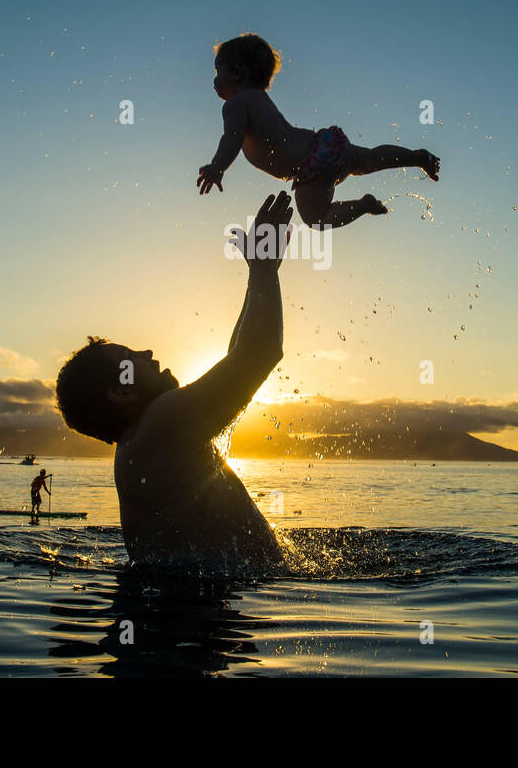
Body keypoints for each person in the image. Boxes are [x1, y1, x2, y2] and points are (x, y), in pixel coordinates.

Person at [55, 192, 294, 572]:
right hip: (192, 610)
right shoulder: (159, 427)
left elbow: (236, 360)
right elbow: (259, 353)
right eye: (131, 357)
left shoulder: (148, 441)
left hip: (188, 607)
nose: (147, 355)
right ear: (121, 391)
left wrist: (257, 271)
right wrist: (264, 271)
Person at [196, 33, 440, 229]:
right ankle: (416, 157)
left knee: (317, 218)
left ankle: (363, 205)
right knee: (370, 158)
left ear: (237, 73)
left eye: (219, 73)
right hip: (323, 144)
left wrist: (218, 166)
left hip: (308, 168)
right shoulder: (259, 98)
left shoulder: (236, 105)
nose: (215, 81)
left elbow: (232, 137)